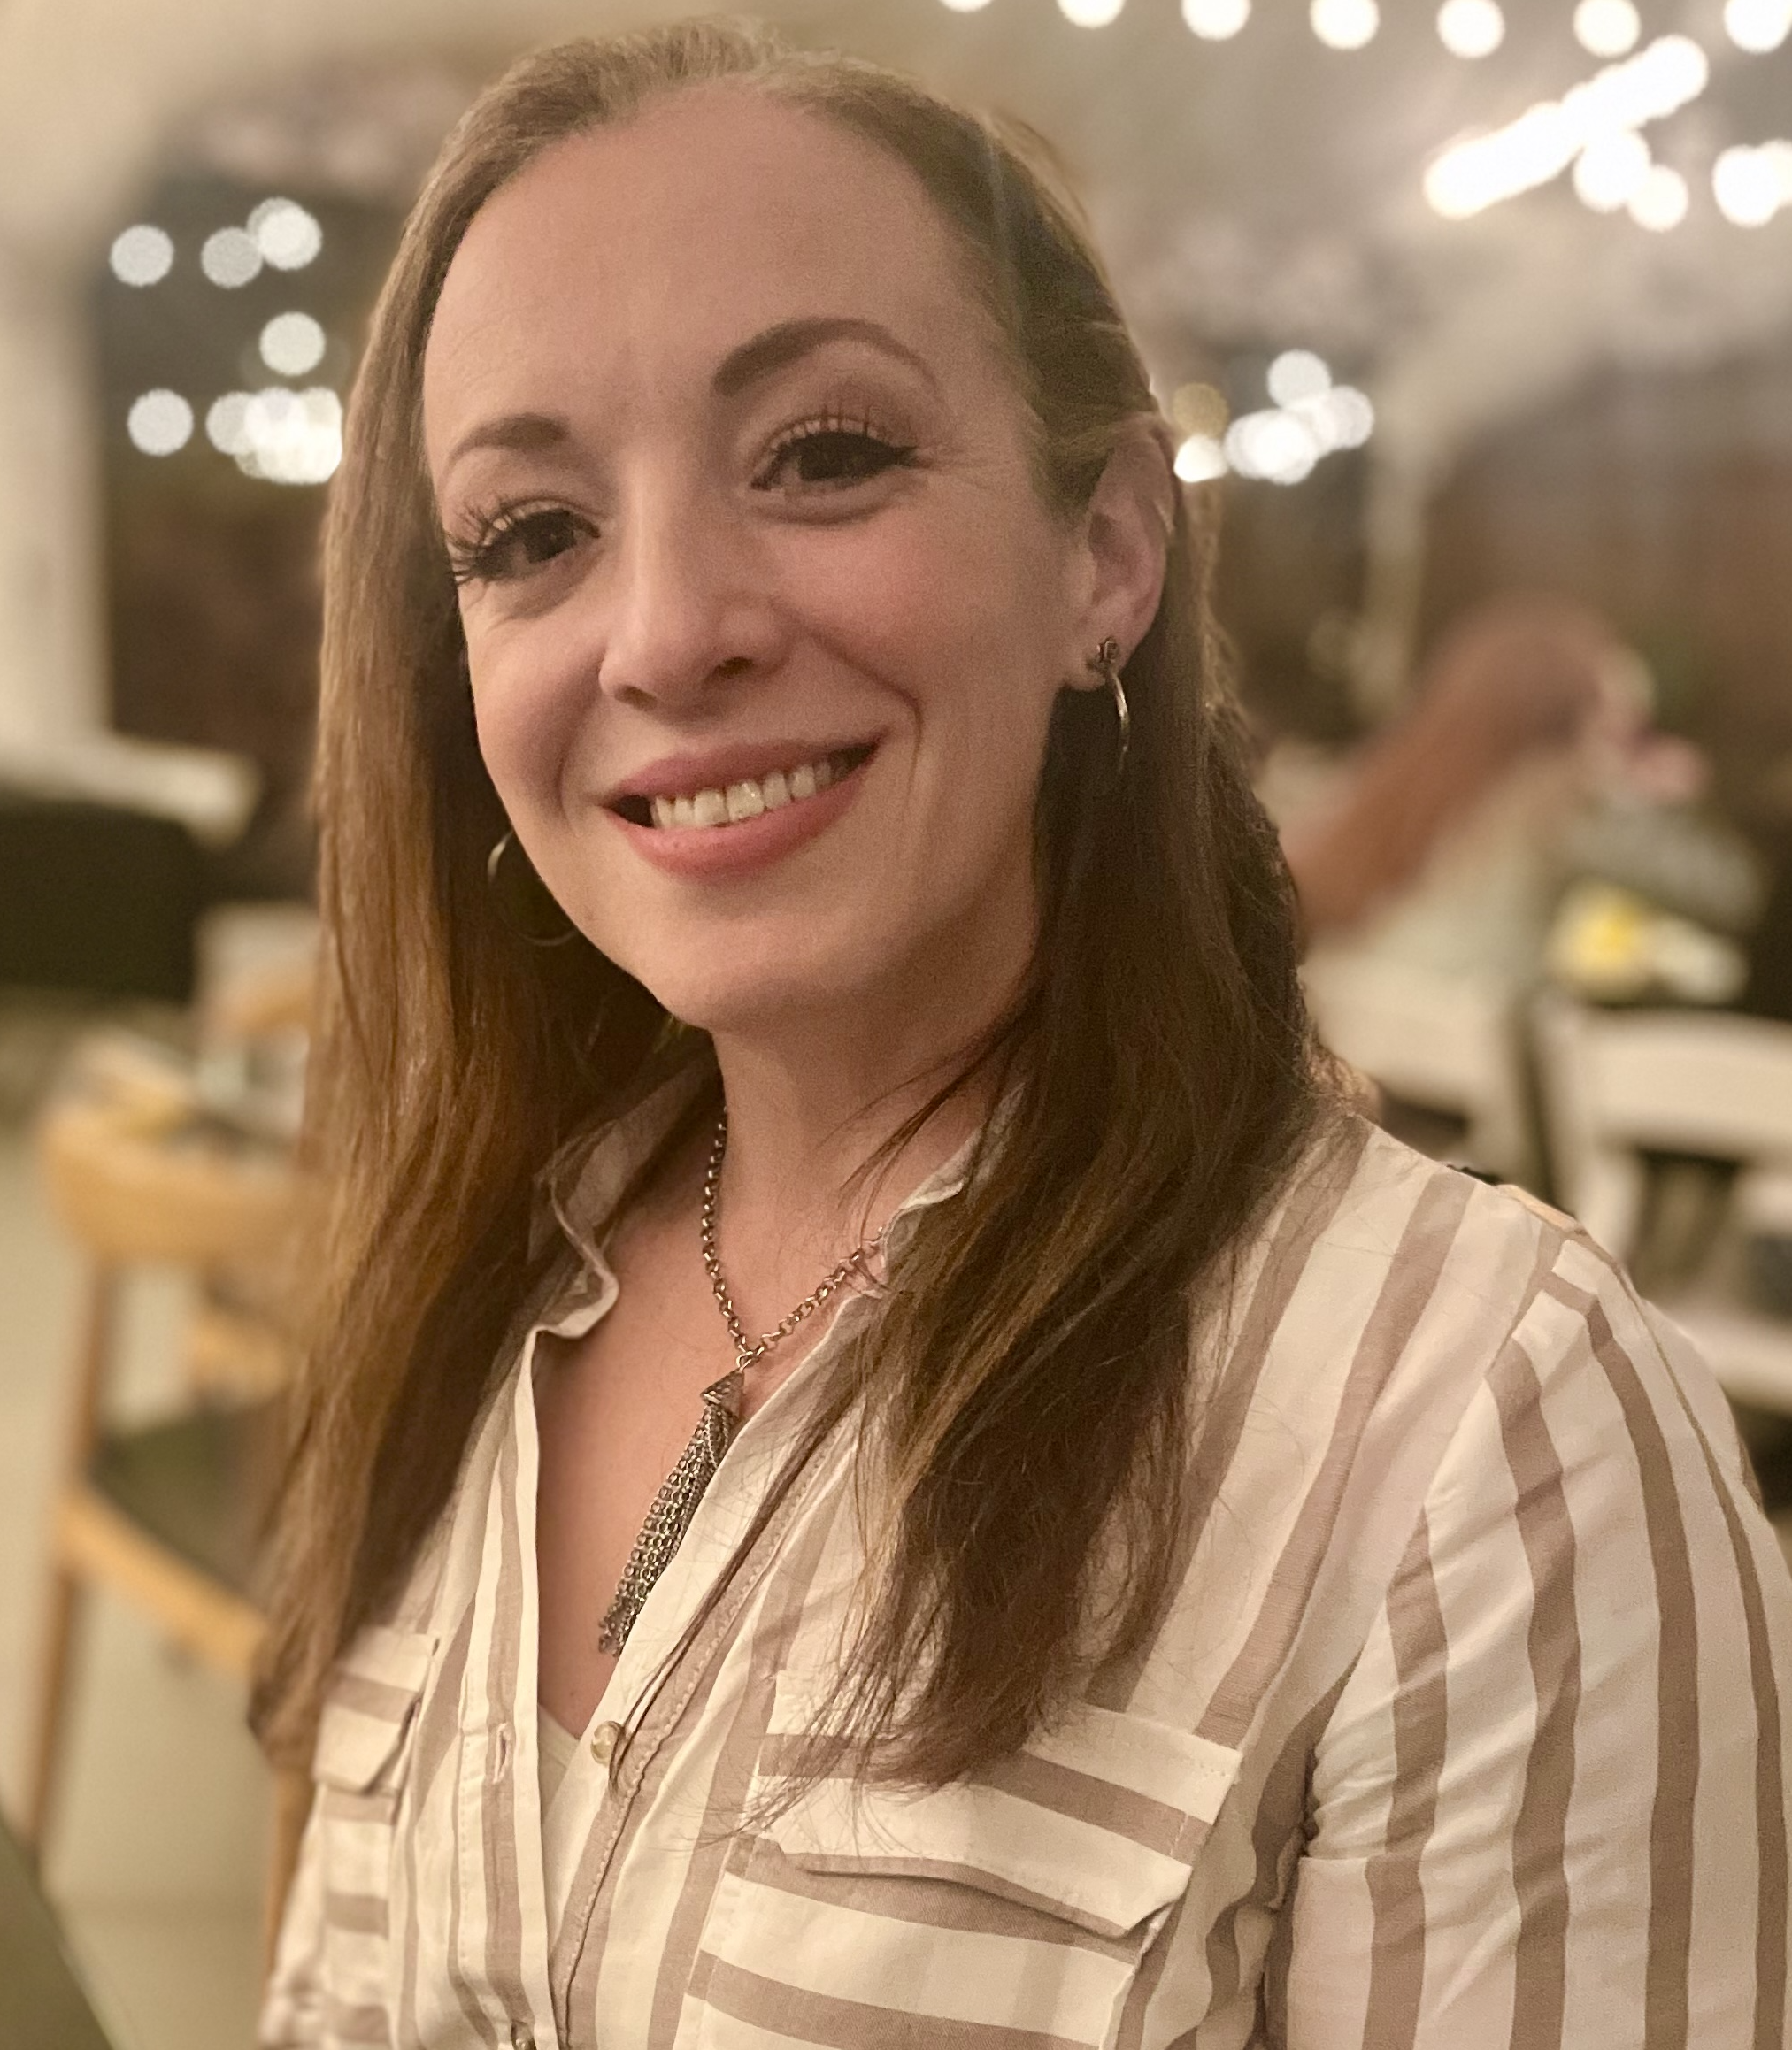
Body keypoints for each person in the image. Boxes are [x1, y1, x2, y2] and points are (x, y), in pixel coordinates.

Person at [253, 22, 1792, 2047]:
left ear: (1109, 557)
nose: (661, 630)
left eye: (821, 454)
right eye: (531, 534)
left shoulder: (1480, 1439)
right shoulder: (458, 1303)